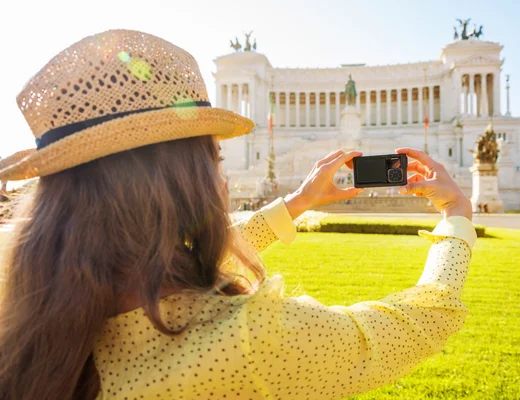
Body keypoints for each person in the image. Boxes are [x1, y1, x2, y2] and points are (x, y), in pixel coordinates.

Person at [0, 30, 476, 400]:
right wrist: (455, 214)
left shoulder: (25, 307)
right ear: (185, 180)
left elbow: (169, 253)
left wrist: (298, 203)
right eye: (216, 160)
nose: (222, 178)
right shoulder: (250, 344)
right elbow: (419, 320)